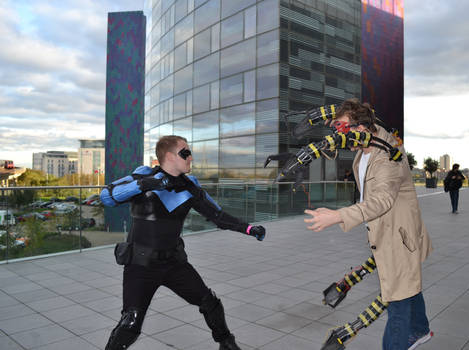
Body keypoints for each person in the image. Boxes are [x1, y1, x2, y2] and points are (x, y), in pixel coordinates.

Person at [100, 135, 266, 350]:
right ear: (169, 156)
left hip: (173, 263)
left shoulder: (189, 186)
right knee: (130, 322)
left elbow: (218, 216)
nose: (190, 157)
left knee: (210, 303)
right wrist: (146, 184)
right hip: (140, 265)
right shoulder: (143, 175)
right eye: (185, 152)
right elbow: (107, 196)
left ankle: (227, 344)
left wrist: (249, 229)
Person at [304, 98, 433, 350]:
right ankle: (420, 329)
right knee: (408, 286)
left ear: (361, 128)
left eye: (343, 128)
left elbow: (382, 199)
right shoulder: (363, 151)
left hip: (399, 240)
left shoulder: (387, 154)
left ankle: (404, 338)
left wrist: (338, 215)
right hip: (385, 234)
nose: (339, 134)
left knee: (396, 300)